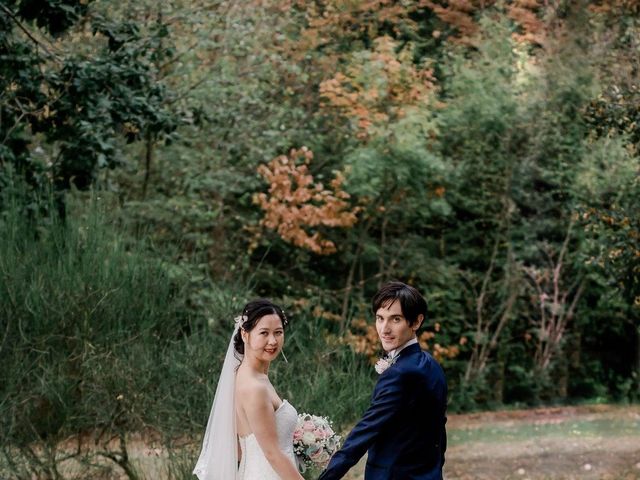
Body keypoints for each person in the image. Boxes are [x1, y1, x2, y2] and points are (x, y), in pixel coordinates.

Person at [318, 281, 448, 480]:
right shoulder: (431, 364)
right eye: (380, 318)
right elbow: (440, 433)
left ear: (416, 322)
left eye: (395, 319)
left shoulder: (401, 373)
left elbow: (365, 431)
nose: (384, 329)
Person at [193, 299, 304, 480]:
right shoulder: (254, 387)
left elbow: (238, 447)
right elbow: (272, 454)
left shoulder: (243, 376)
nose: (272, 341)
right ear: (245, 334)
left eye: (278, 332)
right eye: (264, 333)